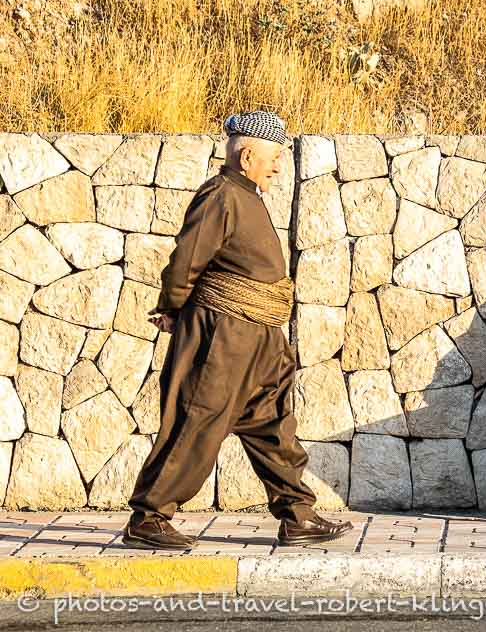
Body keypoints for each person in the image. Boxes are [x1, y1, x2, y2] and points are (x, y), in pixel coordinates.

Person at [123, 111, 354, 550]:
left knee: (272, 425)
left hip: (259, 336)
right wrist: (171, 307)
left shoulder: (246, 194)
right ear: (247, 155)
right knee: (198, 420)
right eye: (273, 158)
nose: (278, 166)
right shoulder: (221, 196)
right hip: (222, 335)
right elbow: (188, 258)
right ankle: (148, 518)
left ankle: (297, 516)